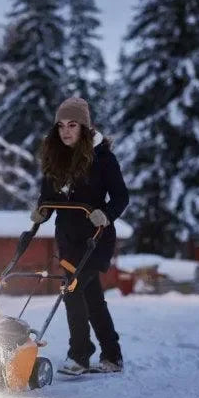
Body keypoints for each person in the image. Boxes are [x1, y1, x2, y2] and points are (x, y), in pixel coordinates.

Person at [31, 97, 129, 375]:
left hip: (96, 236)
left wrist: (106, 214)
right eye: (61, 125)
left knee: (72, 289)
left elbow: (122, 196)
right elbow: (47, 196)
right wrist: (41, 212)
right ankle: (112, 355)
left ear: (84, 127)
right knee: (92, 298)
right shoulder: (55, 157)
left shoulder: (103, 158)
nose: (66, 131)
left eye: (72, 125)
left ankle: (80, 354)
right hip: (68, 238)